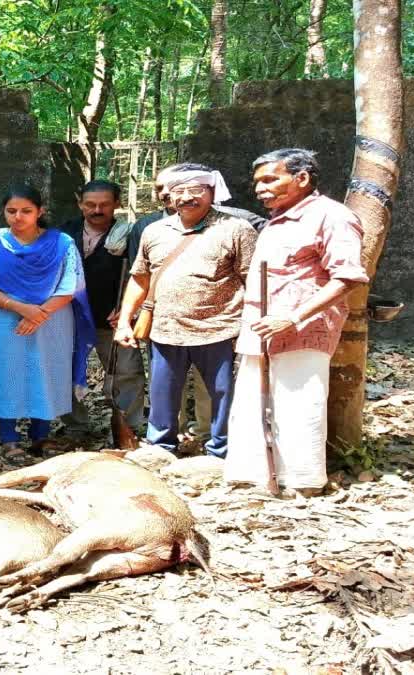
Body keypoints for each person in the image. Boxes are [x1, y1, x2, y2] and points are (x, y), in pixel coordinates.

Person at [225, 148, 368, 495]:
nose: (260, 188)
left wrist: (292, 317)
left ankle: (302, 482)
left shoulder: (331, 216)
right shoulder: (277, 220)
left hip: (302, 330)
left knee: (299, 404)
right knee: (251, 403)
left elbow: (347, 277)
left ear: (301, 178)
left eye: (271, 179)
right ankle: (254, 477)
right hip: (260, 330)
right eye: (257, 181)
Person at [115, 165, 257, 458]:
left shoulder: (235, 229)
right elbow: (140, 278)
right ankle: (161, 447)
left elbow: (252, 280)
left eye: (196, 190)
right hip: (165, 328)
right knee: (162, 394)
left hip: (219, 328)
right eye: (179, 191)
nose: (187, 197)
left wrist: (252, 324)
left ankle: (221, 450)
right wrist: (124, 322)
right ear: (169, 196)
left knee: (221, 394)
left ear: (212, 192)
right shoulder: (154, 231)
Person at [0, 185, 94, 465]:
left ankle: (41, 435)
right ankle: (9, 439)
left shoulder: (62, 243)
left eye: (26, 211)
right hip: (2, 319)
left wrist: (40, 314)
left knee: (46, 371)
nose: (17, 217)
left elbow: (70, 285)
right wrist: (21, 308)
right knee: (6, 374)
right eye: (11, 211)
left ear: (40, 211)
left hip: (52, 320)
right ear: (3, 212)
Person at [57, 180, 145, 448]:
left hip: (114, 320)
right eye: (90, 204)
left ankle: (129, 426)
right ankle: (75, 426)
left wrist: (130, 311)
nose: (97, 210)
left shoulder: (131, 234)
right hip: (69, 318)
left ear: (116, 203)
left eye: (104, 204)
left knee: (126, 371)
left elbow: (144, 274)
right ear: (80, 204)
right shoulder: (63, 233)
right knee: (65, 372)